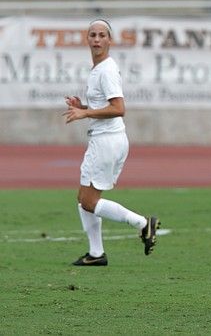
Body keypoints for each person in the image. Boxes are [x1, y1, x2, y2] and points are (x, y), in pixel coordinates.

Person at [63, 19, 159, 266]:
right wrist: (82, 106)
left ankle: (142, 224)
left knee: (88, 201)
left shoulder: (106, 70)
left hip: (107, 142)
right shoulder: (98, 69)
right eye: (92, 35)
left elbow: (118, 108)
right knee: (83, 198)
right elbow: (103, 106)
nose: (96, 39)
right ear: (88, 39)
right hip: (105, 139)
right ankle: (96, 254)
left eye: (101, 35)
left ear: (109, 40)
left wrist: (85, 114)